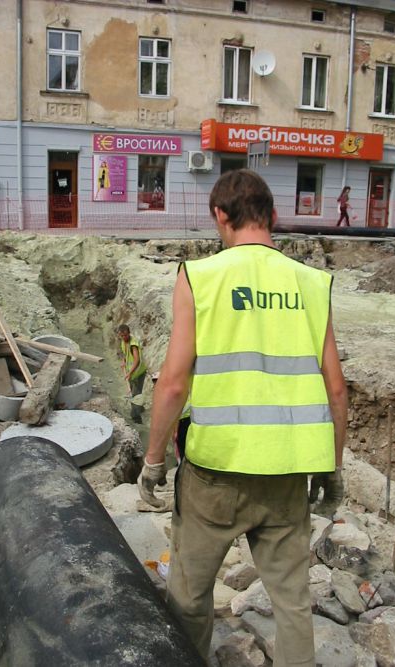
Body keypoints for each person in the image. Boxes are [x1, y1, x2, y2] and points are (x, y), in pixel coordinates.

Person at [138, 169, 348, 666]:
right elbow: (335, 387)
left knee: (189, 595)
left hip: (215, 473)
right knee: (293, 602)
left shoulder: (201, 277)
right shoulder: (311, 283)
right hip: (287, 473)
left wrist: (152, 460)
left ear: (219, 216)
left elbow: (173, 383)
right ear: (273, 217)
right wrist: (332, 468)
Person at [117, 324, 147, 423]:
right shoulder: (123, 341)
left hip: (138, 373)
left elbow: (136, 360)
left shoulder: (133, 344)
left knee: (135, 396)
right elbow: (126, 354)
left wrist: (130, 372)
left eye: (125, 335)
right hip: (131, 372)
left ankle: (136, 418)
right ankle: (141, 409)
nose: (124, 337)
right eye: (122, 336)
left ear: (129, 333)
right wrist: (124, 362)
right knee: (135, 393)